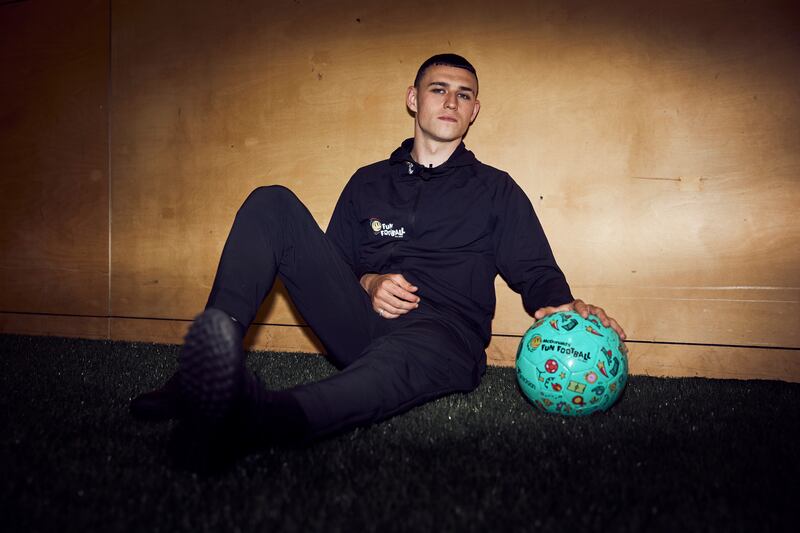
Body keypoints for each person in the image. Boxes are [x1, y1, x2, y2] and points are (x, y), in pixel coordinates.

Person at [130, 53, 626, 447]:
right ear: (414, 99)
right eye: (438, 89)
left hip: (442, 335)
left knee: (392, 369)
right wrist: (367, 282)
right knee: (271, 204)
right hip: (358, 321)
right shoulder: (367, 183)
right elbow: (333, 266)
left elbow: (536, 271)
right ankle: (200, 378)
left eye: (464, 94)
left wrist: (567, 309)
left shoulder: (495, 190)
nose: (451, 101)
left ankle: (269, 418)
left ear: (475, 111)